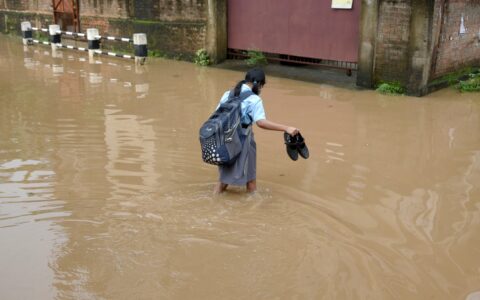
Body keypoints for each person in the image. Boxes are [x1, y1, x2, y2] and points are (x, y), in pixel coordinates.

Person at [214, 68, 299, 194]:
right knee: (251, 181)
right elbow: (261, 122)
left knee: (223, 180)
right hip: (243, 141)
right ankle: (255, 206)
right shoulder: (254, 99)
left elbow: (216, 115)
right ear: (259, 84)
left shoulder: (228, 94)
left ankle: (215, 199)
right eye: (262, 86)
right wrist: (286, 128)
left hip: (225, 140)